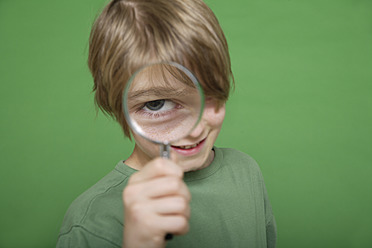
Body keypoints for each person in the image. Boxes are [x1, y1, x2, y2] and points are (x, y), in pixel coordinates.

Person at [56, 0, 277, 247]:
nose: (195, 130)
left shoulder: (246, 171)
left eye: (210, 93)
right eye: (157, 104)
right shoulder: (91, 223)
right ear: (118, 106)